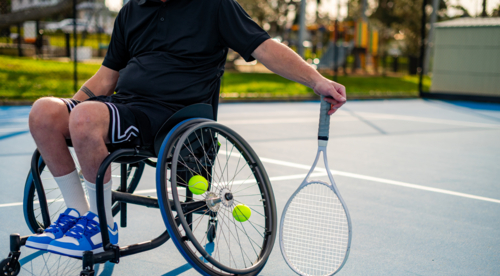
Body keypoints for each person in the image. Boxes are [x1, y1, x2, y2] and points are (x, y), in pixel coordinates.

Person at [25, 0, 347, 258]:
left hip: (171, 118)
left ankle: (101, 228)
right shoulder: (131, 11)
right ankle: (79, 215)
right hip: (124, 108)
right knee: (43, 112)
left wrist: (316, 80)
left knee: (84, 117)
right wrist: (70, 109)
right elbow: (106, 78)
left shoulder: (214, 6)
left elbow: (264, 48)